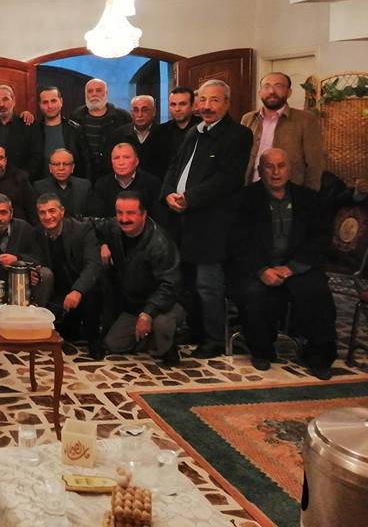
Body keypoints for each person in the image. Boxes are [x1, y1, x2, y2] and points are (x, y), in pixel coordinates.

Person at [161, 79, 252, 358]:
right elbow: (175, 167)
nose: (207, 106)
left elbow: (227, 179)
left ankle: (214, 339)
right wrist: (168, 194)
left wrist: (189, 198)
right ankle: (196, 330)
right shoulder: (194, 131)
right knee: (188, 283)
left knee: (208, 284)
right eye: (203, 100)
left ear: (227, 103)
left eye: (214, 100)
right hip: (183, 220)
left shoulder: (238, 135)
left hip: (212, 223)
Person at [229, 148, 336, 379]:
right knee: (254, 293)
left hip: (298, 266)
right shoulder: (244, 199)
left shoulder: (309, 199)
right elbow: (238, 241)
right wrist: (262, 270)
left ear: (290, 169)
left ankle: (319, 356)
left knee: (316, 292)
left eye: (281, 166)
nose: (276, 172)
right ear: (260, 171)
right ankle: (261, 351)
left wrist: (292, 268)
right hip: (258, 267)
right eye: (269, 167)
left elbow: (319, 239)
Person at [95, 192, 184, 366]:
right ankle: (153, 338)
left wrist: (147, 314)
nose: (124, 219)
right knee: (113, 344)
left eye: (130, 213)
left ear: (144, 214)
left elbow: (169, 285)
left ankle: (168, 343)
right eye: (119, 213)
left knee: (162, 324)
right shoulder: (114, 227)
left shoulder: (160, 243)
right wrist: (103, 244)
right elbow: (94, 225)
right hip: (135, 305)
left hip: (166, 304)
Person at [32, 194, 104, 357]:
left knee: (91, 294)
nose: (47, 216)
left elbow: (93, 265)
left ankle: (94, 341)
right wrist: (34, 270)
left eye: (52, 211)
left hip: (84, 286)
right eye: (42, 212)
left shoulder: (82, 230)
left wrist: (78, 291)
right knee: (63, 331)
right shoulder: (36, 232)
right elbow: (32, 256)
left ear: (62, 211)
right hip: (58, 289)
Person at [241, 72, 323, 190]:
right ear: (260, 92)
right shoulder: (248, 119)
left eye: (278, 86)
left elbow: (315, 163)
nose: (272, 91)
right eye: (267, 86)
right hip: (251, 188)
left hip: (289, 192)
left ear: (289, 92)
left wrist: (310, 194)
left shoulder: (306, 120)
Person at [70, 79, 131, 179]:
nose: (94, 94)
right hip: (83, 175)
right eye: (90, 91)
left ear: (106, 93)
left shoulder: (122, 117)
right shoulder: (76, 116)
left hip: (113, 175)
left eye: (98, 90)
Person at [0, 85, 43, 179]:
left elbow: (36, 157)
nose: (1, 104)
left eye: (5, 99)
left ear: (13, 101)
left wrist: (22, 178)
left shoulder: (28, 125)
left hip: (20, 180)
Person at [89, 143, 161, 218]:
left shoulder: (152, 183)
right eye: (116, 158)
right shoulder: (102, 184)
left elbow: (157, 219)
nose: (121, 163)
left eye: (126, 157)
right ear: (111, 162)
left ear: (137, 161)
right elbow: (97, 218)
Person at [37, 87, 92, 181]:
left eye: (53, 101)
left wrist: (86, 185)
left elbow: (87, 162)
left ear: (61, 102)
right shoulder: (34, 130)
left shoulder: (75, 130)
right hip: (41, 186)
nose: (50, 106)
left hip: (73, 186)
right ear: (40, 105)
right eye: (45, 102)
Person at [147, 87, 200, 181]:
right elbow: (152, 165)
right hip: (164, 184)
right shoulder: (159, 131)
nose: (177, 109)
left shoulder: (202, 129)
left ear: (192, 106)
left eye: (182, 104)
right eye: (173, 104)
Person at [32, 148, 93, 218]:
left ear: (72, 167)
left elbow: (90, 216)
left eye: (66, 164)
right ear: (50, 168)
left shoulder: (84, 186)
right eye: (56, 164)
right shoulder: (39, 187)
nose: (61, 168)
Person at [106, 95, 158, 174]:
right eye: (136, 110)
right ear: (131, 113)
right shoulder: (118, 135)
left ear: (154, 112)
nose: (140, 115)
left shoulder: (163, 134)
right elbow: (108, 165)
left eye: (144, 110)